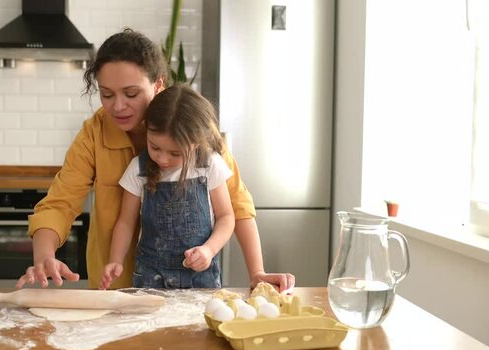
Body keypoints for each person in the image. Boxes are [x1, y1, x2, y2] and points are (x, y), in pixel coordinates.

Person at [15, 28, 295, 292]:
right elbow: (60, 204)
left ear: (158, 84)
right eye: (106, 94)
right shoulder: (94, 133)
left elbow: (237, 206)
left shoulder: (194, 129)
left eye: (131, 93)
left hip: (192, 287)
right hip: (115, 290)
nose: (118, 106)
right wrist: (44, 254)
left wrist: (257, 273)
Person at [101, 84, 234, 289]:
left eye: (176, 153)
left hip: (200, 277)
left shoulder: (210, 165)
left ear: (197, 142)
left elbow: (226, 217)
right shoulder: (138, 168)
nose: (162, 159)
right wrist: (115, 259)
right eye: (155, 147)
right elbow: (125, 223)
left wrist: (208, 250)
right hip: (150, 276)